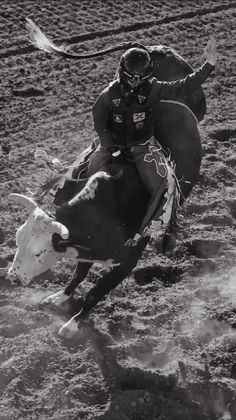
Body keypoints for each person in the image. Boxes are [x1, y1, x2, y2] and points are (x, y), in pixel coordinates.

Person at [80, 38, 217, 250]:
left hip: (142, 149)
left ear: (148, 75)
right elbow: (98, 117)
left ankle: (157, 228)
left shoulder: (154, 89)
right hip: (111, 146)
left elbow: (184, 84)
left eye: (140, 77)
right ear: (122, 73)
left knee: (163, 189)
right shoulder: (110, 93)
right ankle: (75, 210)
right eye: (131, 77)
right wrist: (108, 144)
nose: (135, 81)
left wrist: (209, 64)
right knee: (87, 178)